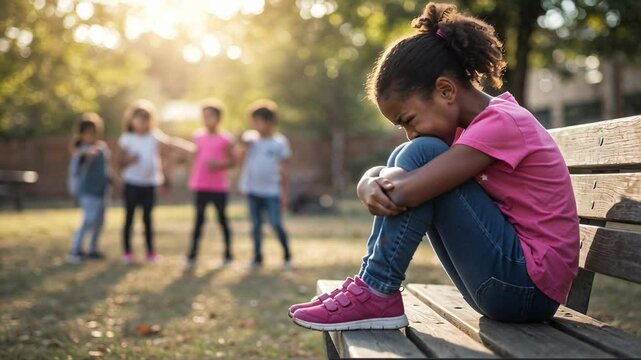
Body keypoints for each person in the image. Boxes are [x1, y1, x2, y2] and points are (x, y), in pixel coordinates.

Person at [289, 2, 579, 331]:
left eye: (408, 120)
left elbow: (408, 192)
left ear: (445, 90)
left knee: (423, 150)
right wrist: (367, 182)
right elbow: (404, 181)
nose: (410, 131)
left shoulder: (503, 123)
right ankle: (373, 286)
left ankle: (376, 288)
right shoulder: (470, 129)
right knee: (417, 150)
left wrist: (387, 183)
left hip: (526, 288)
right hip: (507, 285)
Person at [116, 99, 195, 264]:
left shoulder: (154, 136)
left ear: (150, 121)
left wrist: (191, 148)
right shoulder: (127, 138)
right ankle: (127, 252)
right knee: (129, 218)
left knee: (147, 218)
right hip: (132, 183)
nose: (141, 122)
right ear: (131, 120)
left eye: (145, 119)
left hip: (149, 183)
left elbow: (171, 143)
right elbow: (120, 162)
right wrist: (129, 160)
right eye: (138, 119)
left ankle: (150, 252)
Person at [238, 100, 292, 269]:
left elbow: (284, 170)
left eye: (258, 121)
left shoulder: (279, 143)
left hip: (272, 191)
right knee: (255, 226)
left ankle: (287, 254)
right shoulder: (250, 139)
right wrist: (240, 143)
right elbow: (238, 154)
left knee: (275, 223)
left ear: (269, 121)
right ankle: (257, 257)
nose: (255, 125)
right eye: (253, 121)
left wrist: (284, 193)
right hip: (253, 189)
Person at [186, 100, 235, 268]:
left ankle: (228, 254)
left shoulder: (226, 139)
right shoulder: (197, 136)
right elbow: (194, 157)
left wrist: (218, 165)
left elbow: (232, 161)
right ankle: (192, 255)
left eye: (211, 116)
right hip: (200, 185)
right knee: (198, 221)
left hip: (219, 187)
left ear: (219, 118)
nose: (207, 119)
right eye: (205, 116)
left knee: (222, 220)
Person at [67, 113, 110, 264]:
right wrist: (86, 153)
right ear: (82, 134)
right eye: (88, 133)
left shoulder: (102, 148)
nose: (92, 136)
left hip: (102, 190)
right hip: (88, 191)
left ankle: (92, 249)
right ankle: (75, 249)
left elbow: (106, 167)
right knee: (88, 219)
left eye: (94, 132)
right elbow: (77, 160)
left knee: (100, 221)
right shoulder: (81, 150)